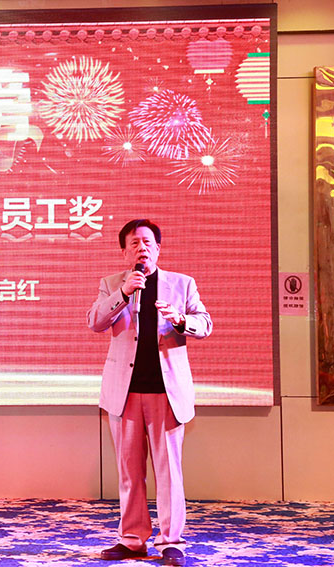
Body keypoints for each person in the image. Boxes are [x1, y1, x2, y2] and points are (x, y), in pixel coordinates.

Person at [88, 220, 212, 567]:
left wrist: (180, 320)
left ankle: (171, 541)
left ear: (158, 248)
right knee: (130, 472)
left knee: (168, 471)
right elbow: (95, 321)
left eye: (147, 242)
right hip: (125, 393)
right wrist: (124, 293)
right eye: (134, 243)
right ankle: (132, 539)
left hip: (166, 393)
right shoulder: (112, 284)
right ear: (124, 251)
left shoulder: (182, 284)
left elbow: (205, 323)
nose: (141, 248)